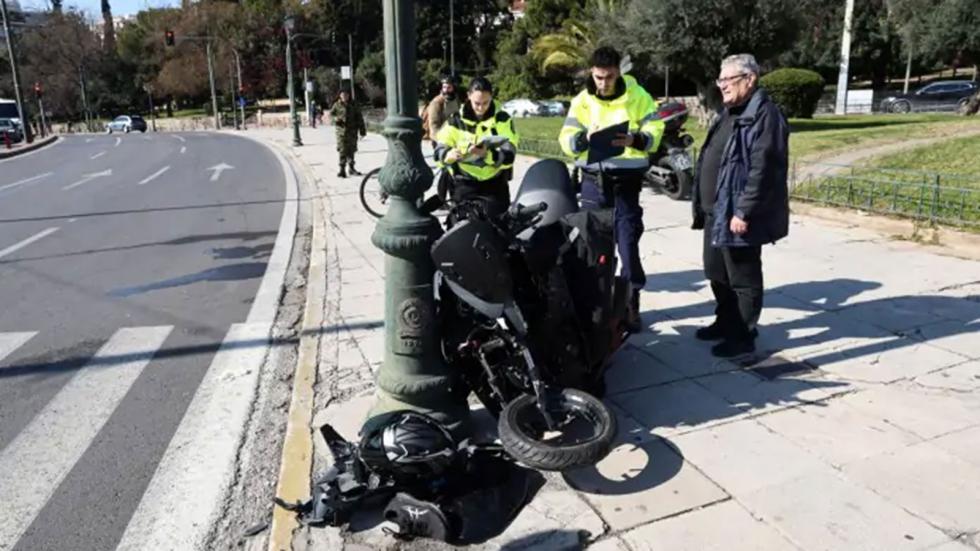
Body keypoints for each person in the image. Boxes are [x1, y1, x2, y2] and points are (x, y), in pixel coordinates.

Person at [558, 46, 664, 332]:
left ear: (619, 72)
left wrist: (635, 139)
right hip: (593, 181)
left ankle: (631, 303)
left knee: (627, 243)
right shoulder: (582, 100)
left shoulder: (637, 96)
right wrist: (582, 139)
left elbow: (655, 130)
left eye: (609, 77)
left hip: (626, 183)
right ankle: (594, 303)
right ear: (591, 72)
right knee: (591, 244)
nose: (603, 83)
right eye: (599, 77)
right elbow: (566, 137)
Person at [691, 54, 790, 358]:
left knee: (743, 278)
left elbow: (764, 169)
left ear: (750, 79)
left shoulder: (765, 115)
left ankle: (744, 335)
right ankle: (725, 322)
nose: (722, 86)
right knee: (716, 272)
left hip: (738, 213)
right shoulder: (729, 111)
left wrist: (743, 210)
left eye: (728, 80)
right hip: (715, 212)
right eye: (720, 80)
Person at [434, 76, 519, 218]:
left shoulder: (503, 120)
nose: (481, 108)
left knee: (499, 231)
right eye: (476, 103)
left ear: (492, 96)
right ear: (468, 96)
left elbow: (510, 156)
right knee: (463, 231)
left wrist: (488, 155)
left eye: (486, 102)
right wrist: (447, 155)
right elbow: (439, 150)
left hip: (495, 185)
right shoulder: (455, 120)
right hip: (464, 185)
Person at [330, 90, 366, 178]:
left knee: (351, 150)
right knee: (342, 150)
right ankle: (342, 169)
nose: (345, 97)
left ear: (349, 95)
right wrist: (335, 119)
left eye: (346, 95)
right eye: (343, 95)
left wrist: (362, 131)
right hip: (341, 133)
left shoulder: (354, 105)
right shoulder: (336, 105)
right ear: (340, 96)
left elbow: (359, 118)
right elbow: (331, 115)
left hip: (352, 132)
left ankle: (351, 168)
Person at [424, 75, 460, 148]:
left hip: (454, 138)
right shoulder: (436, 103)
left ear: (454, 88)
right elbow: (433, 126)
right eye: (444, 87)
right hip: (441, 140)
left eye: (449, 87)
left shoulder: (456, 100)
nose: (446, 90)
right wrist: (442, 141)